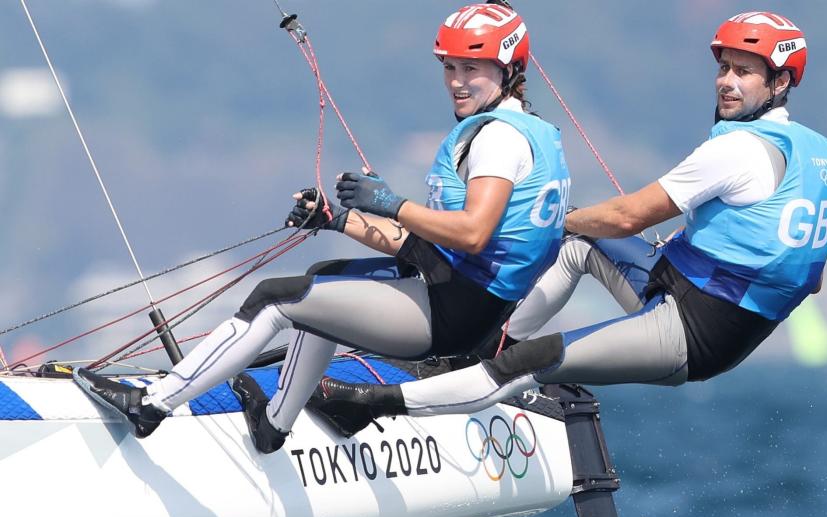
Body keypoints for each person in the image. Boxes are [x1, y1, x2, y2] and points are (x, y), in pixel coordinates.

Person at [312, 11, 827, 436]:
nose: (726, 82)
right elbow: (808, 275)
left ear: (779, 81)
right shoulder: (821, 155)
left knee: (535, 359)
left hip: (691, 333)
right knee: (582, 242)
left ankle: (376, 404)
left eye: (743, 72)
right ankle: (480, 349)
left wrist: (556, 222)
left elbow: (628, 216)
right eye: (724, 67)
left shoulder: (739, 150)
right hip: (683, 292)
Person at [73, 3, 571, 453]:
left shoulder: (499, 140)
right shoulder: (529, 130)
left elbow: (471, 234)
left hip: (454, 313)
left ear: (508, 70)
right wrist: (339, 219)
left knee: (275, 298)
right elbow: (427, 245)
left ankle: (151, 405)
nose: (458, 82)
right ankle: (273, 425)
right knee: (327, 278)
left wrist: (393, 204)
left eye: (472, 70)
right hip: (460, 298)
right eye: (450, 68)